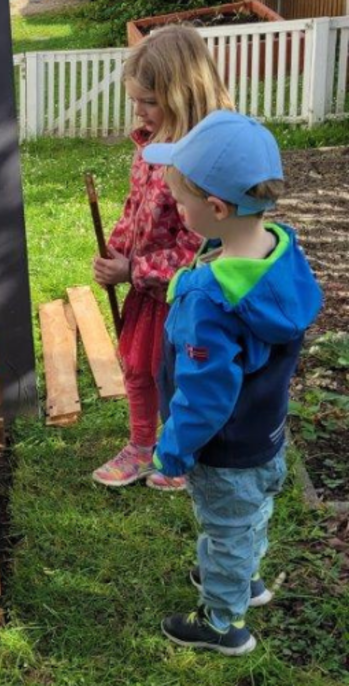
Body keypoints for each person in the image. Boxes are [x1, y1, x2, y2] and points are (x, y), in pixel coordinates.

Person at [144, 111, 321, 654]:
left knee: (225, 528)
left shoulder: (210, 300)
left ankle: (223, 622)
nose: (178, 207)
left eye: (181, 200)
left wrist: (174, 450)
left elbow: (205, 394)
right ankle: (245, 576)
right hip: (265, 434)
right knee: (251, 514)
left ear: (216, 209)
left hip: (224, 449)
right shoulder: (281, 251)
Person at [91, 25, 233, 492]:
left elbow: (200, 250)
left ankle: (180, 452)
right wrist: (116, 251)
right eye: (135, 100)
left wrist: (134, 270)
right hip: (146, 291)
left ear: (184, 94)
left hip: (183, 296)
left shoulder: (205, 162)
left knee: (177, 376)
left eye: (148, 101)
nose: (138, 111)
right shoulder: (149, 147)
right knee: (137, 367)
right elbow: (134, 208)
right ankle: (141, 446)